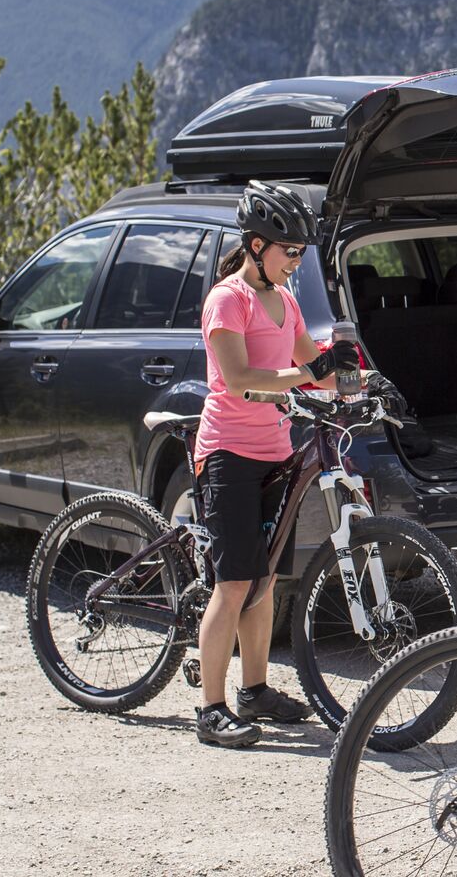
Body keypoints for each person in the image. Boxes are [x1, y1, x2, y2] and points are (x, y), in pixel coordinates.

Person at [191, 181, 343, 746]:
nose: (297, 262)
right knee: (233, 584)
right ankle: (210, 708)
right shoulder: (228, 300)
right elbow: (240, 379)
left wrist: (364, 382)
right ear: (257, 245)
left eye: (302, 253)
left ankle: (254, 690)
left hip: (276, 451)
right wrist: (313, 373)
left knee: (266, 580)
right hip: (229, 452)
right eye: (290, 252)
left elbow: (316, 368)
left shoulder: (287, 300)